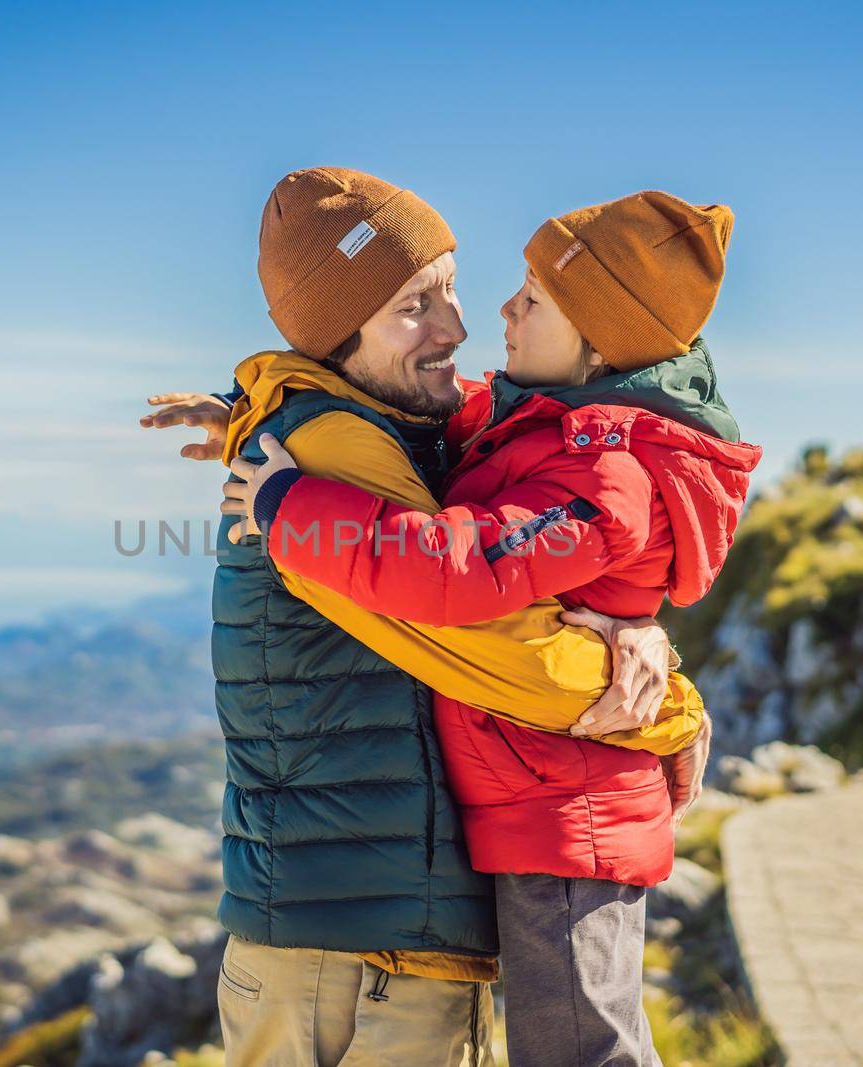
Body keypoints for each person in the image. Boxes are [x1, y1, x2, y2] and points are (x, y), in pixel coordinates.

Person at [141, 169, 698, 1066]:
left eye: (450, 285)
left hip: (355, 952)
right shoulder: (333, 455)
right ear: (339, 332)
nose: (459, 326)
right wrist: (671, 710)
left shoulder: (386, 430)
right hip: (361, 970)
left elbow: (516, 519)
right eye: (413, 305)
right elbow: (498, 645)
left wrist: (634, 622)